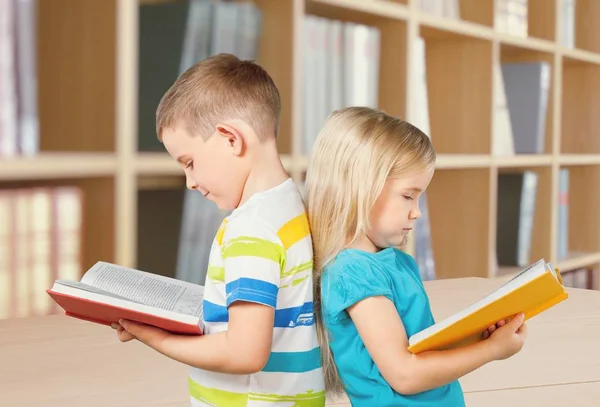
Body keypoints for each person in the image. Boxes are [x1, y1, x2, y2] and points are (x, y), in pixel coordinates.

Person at [111, 53, 325, 407]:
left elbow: (244, 354)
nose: (190, 182)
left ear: (230, 139)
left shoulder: (250, 229)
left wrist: (154, 337)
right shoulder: (293, 204)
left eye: (190, 162)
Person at [304, 106, 527, 406]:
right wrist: (491, 351)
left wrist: (482, 337)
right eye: (408, 196)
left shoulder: (393, 262)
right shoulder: (353, 272)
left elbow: (420, 347)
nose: (417, 211)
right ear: (359, 188)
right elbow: (405, 375)